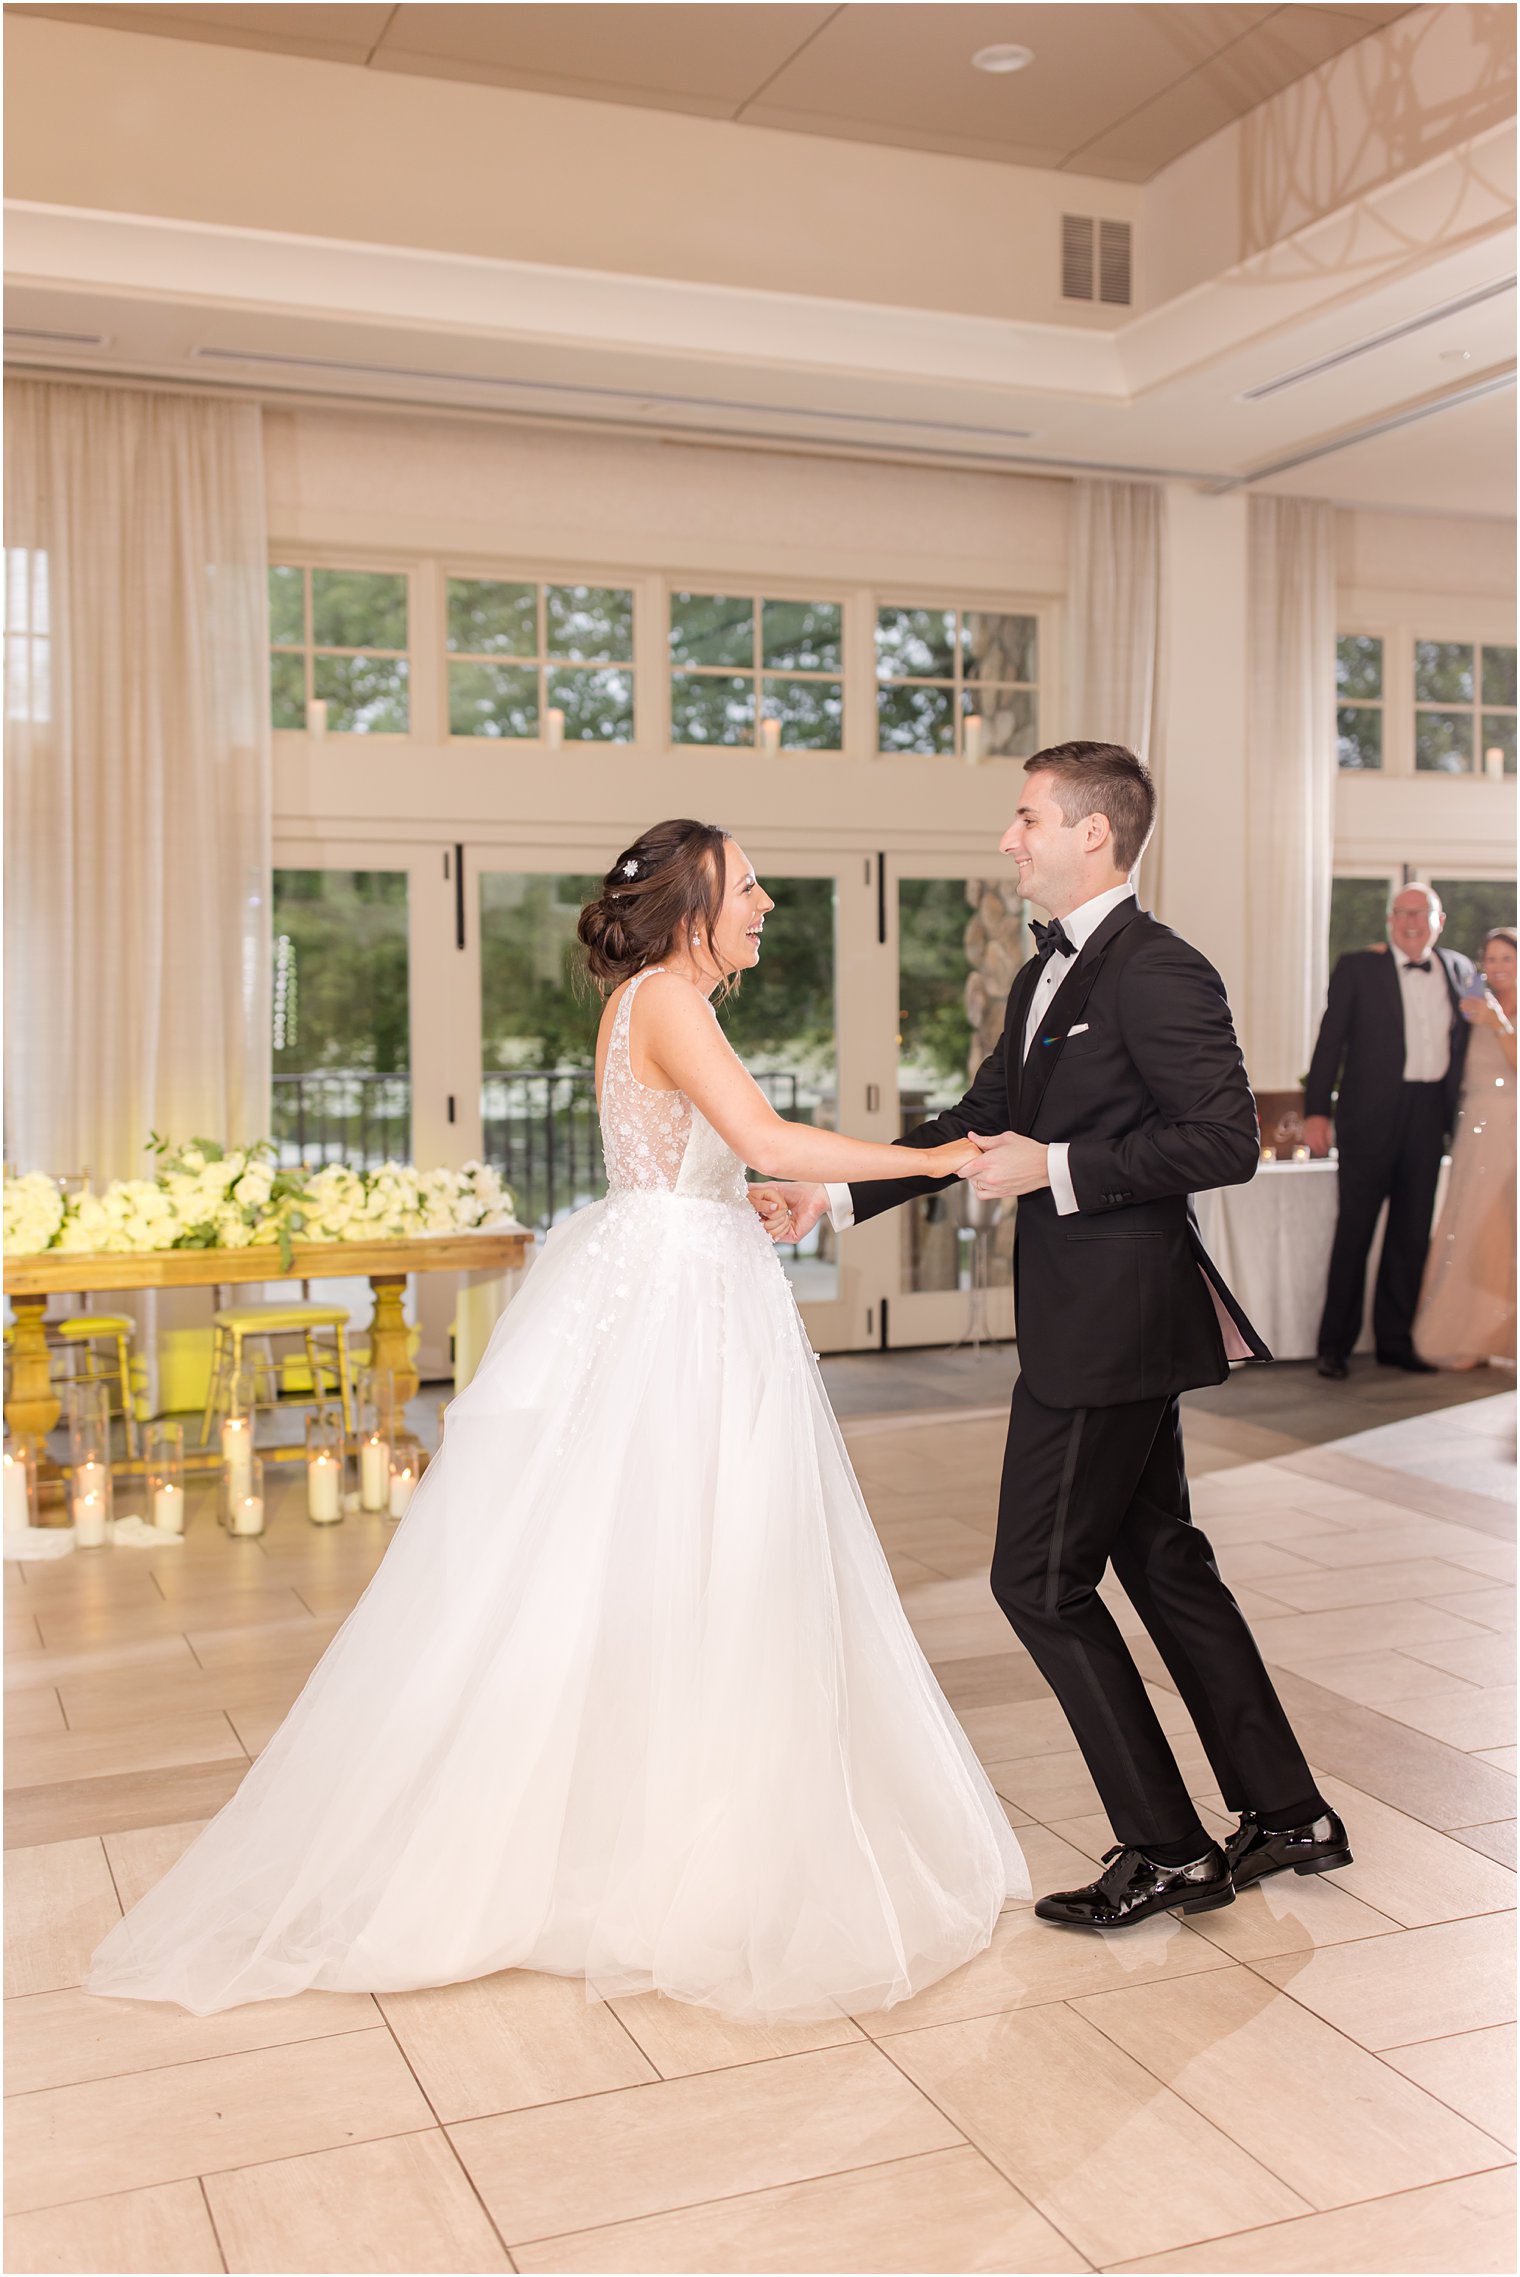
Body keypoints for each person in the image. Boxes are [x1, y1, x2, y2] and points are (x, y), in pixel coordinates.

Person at [87, 819, 1026, 2022]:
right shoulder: (671, 1002)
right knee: (692, 1551)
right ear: (692, 906)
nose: (766, 905)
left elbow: (713, 1160)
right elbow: (761, 1137)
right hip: (683, 1300)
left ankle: (644, 1817)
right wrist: (941, 1156)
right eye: (747, 887)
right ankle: (665, 1844)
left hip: (684, 1271)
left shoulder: (662, 998)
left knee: (661, 1552)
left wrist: (766, 1195)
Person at [754, 744, 1348, 1931]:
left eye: (1026, 817)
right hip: (1094, 1320)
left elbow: (1222, 1140)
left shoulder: (1156, 968)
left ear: (1093, 834)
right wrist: (835, 1193)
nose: (1006, 838)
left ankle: (1167, 1846)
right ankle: (1287, 1815)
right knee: (1163, 1564)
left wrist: (1062, 1168)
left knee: (1033, 1581)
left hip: (1114, 1328)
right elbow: (983, 1122)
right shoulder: (1044, 979)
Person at [1303, 884, 1475, 1379]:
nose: (1411, 921)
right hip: (1368, 1117)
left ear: (1439, 920)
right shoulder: (1358, 967)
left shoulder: (1461, 970)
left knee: (1411, 1236)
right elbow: (1329, 1042)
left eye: (1421, 913)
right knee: (1354, 1234)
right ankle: (1332, 1346)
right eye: (1401, 913)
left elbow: (1479, 1027)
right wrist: (1317, 1110)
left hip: (1429, 1116)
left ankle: (1395, 1342)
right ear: (1389, 921)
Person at [1414, 926, 1518, 1369]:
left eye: (1506, 959)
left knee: (1503, 1222)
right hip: (1472, 1122)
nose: (1496, 968)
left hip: (1510, 1124)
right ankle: (1466, 1332)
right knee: (1467, 1217)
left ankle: (1504, 1335)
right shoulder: (1469, 1005)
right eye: (1490, 959)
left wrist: (1499, 1023)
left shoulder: (1496, 1013)